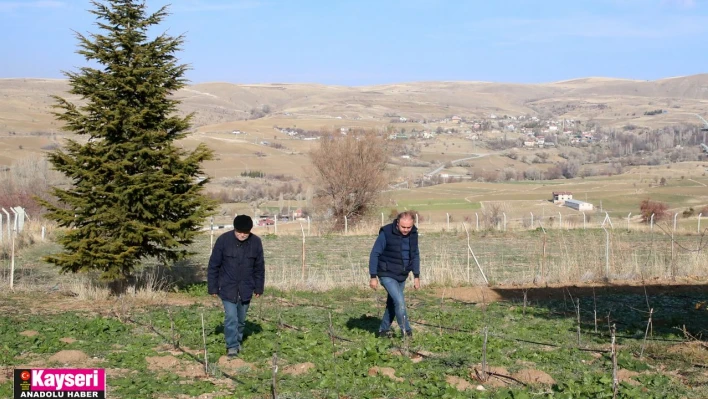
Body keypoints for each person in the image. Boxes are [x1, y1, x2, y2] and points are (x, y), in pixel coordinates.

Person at [208, 215, 265, 357]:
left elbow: (259, 267)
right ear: (235, 229)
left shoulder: (256, 242)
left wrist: (259, 287)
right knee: (231, 317)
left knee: (241, 319)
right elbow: (213, 265)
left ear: (250, 231)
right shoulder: (223, 241)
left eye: (245, 232)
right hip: (227, 287)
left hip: (246, 288)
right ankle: (232, 346)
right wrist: (213, 287)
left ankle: (238, 340)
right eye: (239, 232)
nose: (242, 235)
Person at [369, 211, 420, 338]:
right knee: (400, 302)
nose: (406, 230)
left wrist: (416, 276)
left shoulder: (413, 234)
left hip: (402, 274)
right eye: (403, 227)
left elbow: (415, 254)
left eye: (409, 227)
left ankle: (383, 331)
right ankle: (407, 332)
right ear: (397, 223)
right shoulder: (386, 233)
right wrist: (373, 276)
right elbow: (375, 253)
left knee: (393, 303)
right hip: (386, 273)